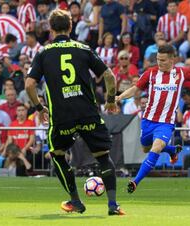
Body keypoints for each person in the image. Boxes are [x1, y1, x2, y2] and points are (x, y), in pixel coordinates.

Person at [25, 9, 124, 216]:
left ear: (50, 29)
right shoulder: (84, 48)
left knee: (57, 154)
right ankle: (113, 205)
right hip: (88, 112)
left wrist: (39, 107)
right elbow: (109, 76)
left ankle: (76, 201)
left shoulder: (43, 53)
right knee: (103, 156)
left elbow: (29, 85)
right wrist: (110, 100)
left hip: (62, 116)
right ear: (70, 27)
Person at [116, 44, 190, 193]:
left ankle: (135, 181)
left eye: (162, 60)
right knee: (145, 147)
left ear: (172, 59)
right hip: (148, 120)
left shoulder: (181, 73)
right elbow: (136, 89)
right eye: (157, 59)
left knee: (156, 147)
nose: (159, 63)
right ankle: (172, 150)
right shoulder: (151, 73)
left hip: (166, 123)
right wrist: (120, 97)